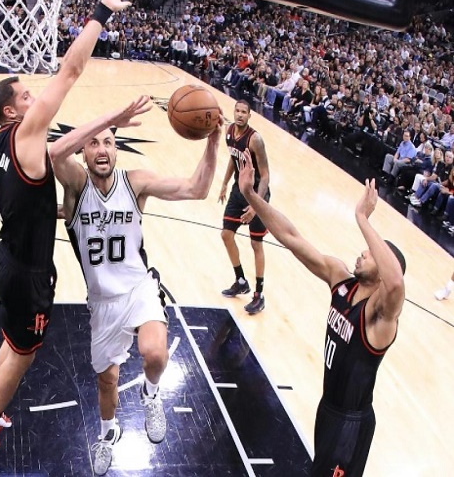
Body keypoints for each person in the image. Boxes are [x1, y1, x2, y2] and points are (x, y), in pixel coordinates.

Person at [0, 0, 131, 454]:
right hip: (29, 273)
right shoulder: (25, 131)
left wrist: (114, 119)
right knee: (25, 351)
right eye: (26, 96)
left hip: (7, 258)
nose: (34, 97)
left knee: (12, 340)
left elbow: (54, 158)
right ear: (12, 112)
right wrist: (102, 11)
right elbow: (71, 71)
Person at [50, 96, 221, 475]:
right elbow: (54, 156)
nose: (102, 149)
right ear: (83, 150)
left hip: (139, 289)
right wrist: (108, 117)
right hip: (102, 303)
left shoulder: (136, 182)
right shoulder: (77, 186)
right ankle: (108, 433)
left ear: (116, 149)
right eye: (93, 142)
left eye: (108, 142)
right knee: (106, 381)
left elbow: (197, 189)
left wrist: (211, 143)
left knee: (155, 354)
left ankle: (150, 392)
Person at [238, 155, 406, 477]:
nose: (363, 251)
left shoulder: (380, 315)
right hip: (328, 409)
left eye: (372, 253)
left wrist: (363, 219)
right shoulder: (340, 280)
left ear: (384, 270)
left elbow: (396, 281)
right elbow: (291, 237)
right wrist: (251, 196)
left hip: (350, 424)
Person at [218, 100, 270, 314]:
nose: (239, 115)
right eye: (237, 111)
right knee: (226, 235)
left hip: (256, 194)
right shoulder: (229, 131)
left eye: (244, 112)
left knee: (256, 244)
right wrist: (223, 182)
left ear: (249, 115)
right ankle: (240, 280)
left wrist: (256, 205)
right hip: (238, 191)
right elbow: (233, 158)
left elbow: (266, 175)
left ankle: (259, 294)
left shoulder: (255, 139)